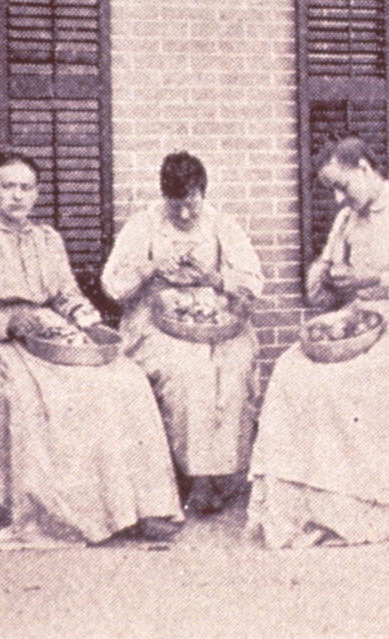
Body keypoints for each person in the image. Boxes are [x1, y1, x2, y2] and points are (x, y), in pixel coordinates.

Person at [0, 153, 182, 551]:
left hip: (53, 340)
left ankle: (138, 508)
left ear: (36, 194)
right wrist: (10, 321)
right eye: (8, 186)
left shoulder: (47, 240)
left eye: (26, 188)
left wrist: (90, 323)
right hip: (0, 348)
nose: (17, 196)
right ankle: (58, 517)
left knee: (125, 378)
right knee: (44, 397)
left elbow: (67, 295)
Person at [246, 138, 389, 547]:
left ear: (364, 168)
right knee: (290, 369)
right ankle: (298, 502)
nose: (339, 198)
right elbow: (324, 289)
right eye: (332, 190)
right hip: (356, 323)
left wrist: (376, 279)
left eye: (343, 186)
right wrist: (322, 271)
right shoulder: (347, 219)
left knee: (330, 386)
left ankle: (351, 504)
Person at [101, 152, 264, 515]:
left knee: (235, 362)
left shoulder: (222, 225)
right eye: (177, 207)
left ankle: (226, 474)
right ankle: (198, 480)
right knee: (188, 371)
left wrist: (216, 277)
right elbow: (112, 285)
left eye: (192, 203)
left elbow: (255, 282)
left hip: (215, 317)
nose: (186, 215)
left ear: (202, 193)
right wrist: (149, 267)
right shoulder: (143, 225)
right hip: (157, 319)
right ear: (165, 198)